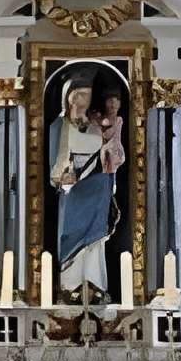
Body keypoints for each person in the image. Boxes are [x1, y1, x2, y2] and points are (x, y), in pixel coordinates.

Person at [47, 69, 125, 300]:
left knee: (95, 243)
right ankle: (70, 288)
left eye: (87, 95)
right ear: (68, 97)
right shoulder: (58, 127)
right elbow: (53, 163)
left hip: (98, 190)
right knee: (70, 239)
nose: (82, 100)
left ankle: (96, 287)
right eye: (78, 94)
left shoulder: (96, 126)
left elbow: (112, 160)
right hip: (73, 196)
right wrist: (63, 176)